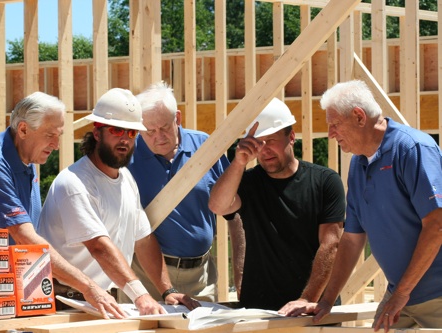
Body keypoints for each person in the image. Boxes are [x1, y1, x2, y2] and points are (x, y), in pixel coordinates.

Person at [0, 92, 125, 319]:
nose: (57, 145)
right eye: (50, 135)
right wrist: (88, 288)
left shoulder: (27, 158)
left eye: (59, 135)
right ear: (23, 130)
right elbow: (26, 238)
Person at [285, 80, 442, 332]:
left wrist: (401, 294)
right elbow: (351, 239)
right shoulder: (358, 166)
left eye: (335, 124)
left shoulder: (412, 149)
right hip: (401, 295)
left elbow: (436, 224)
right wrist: (325, 301)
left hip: (436, 296)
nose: (331, 134)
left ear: (359, 116)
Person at [38, 88, 199, 315]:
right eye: (116, 130)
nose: (125, 139)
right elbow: (99, 247)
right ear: (97, 133)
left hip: (98, 298)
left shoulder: (125, 180)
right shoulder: (74, 183)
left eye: (132, 133)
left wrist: (167, 290)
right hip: (63, 301)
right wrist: (141, 295)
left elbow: (143, 240)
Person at [208, 97, 346, 311]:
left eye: (270, 140)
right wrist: (239, 161)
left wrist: (306, 299)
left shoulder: (325, 182)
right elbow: (218, 206)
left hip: (312, 310)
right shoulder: (248, 183)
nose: (264, 150)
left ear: (291, 137)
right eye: (258, 143)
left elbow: (331, 244)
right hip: (261, 312)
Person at [126, 81, 231, 302]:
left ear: (178, 118)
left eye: (164, 128)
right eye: (149, 131)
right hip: (146, 276)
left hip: (202, 276)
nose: (158, 137)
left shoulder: (206, 148)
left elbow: (234, 209)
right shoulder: (127, 158)